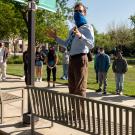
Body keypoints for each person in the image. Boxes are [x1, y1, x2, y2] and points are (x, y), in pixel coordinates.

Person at [48, 2, 94, 97]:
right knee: (71, 87)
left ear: (84, 13)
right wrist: (55, 37)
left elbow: (91, 44)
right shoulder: (73, 29)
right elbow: (66, 44)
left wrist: (80, 36)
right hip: (71, 59)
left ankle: (80, 112)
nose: (77, 13)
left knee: (80, 88)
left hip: (81, 58)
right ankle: (74, 110)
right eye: (75, 11)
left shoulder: (87, 27)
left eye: (80, 11)